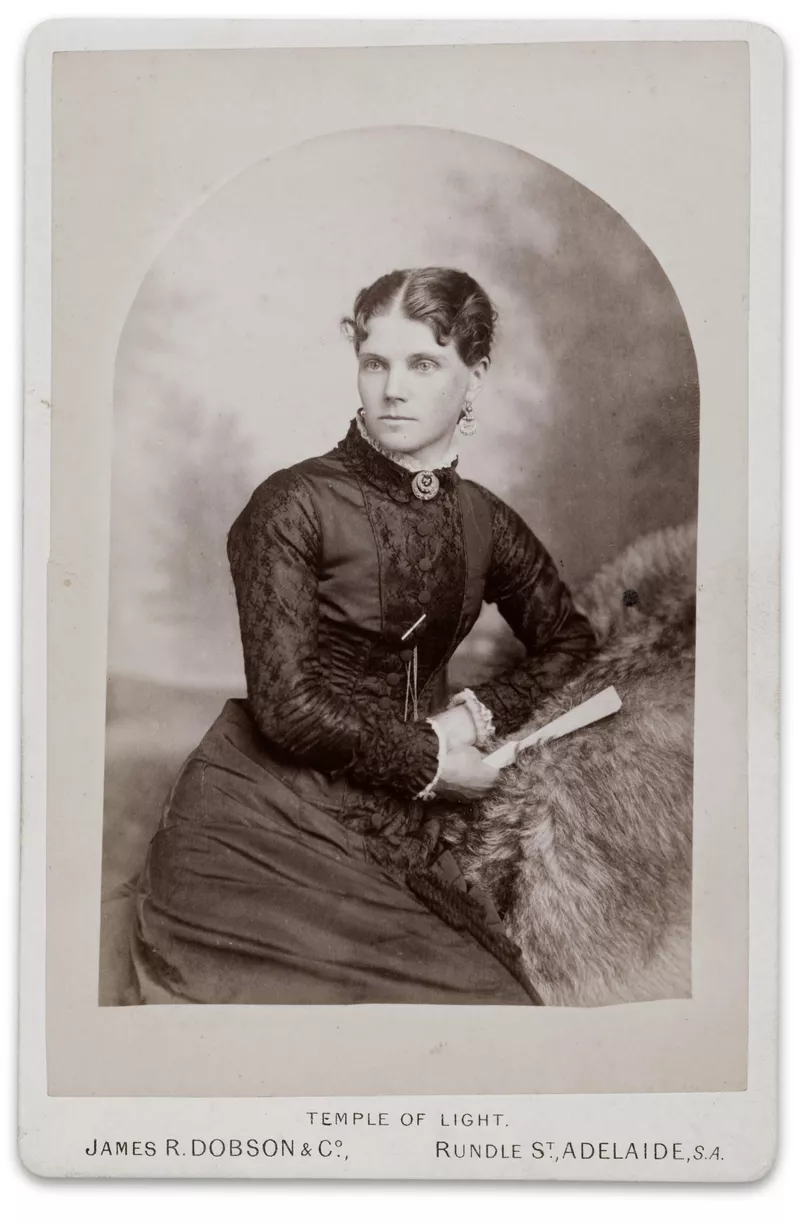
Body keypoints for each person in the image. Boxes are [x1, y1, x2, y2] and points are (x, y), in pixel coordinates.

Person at [130, 267, 598, 1006]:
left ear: (474, 377)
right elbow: (288, 707)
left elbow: (571, 642)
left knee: (503, 1002)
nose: (394, 389)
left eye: (424, 365)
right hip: (266, 818)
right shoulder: (292, 504)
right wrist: (431, 762)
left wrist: (470, 719)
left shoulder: (484, 520)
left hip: (415, 817)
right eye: (376, 362)